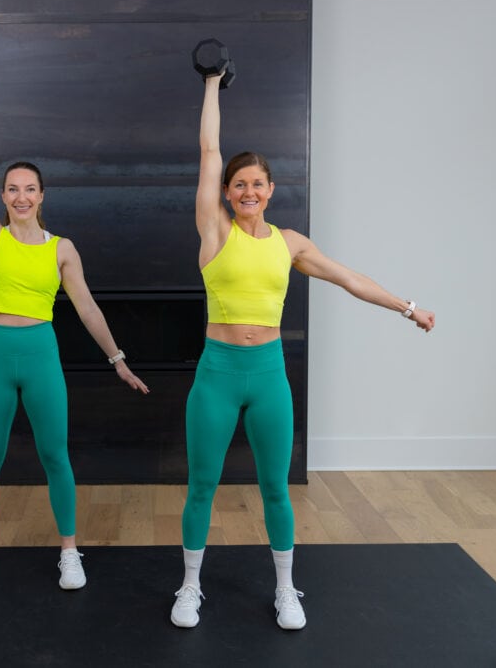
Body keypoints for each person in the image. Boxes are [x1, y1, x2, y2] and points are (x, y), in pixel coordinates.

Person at [170, 70, 435, 630]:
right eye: (238, 184)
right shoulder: (215, 231)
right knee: (202, 485)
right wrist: (213, 82)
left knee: (275, 488)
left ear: (271, 190)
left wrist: (407, 307)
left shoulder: (291, 245)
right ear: (226, 191)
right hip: (217, 373)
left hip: (268, 376)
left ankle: (287, 590)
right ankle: (189, 587)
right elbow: (208, 147)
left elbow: (349, 279)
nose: (247, 192)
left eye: (257, 184)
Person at [0, 85, 150, 592]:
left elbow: (86, 307)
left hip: (40, 355)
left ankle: (69, 551)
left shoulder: (62, 248)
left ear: (42, 197)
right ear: (3, 197)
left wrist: (118, 359)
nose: (21, 196)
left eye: (30, 189)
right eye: (12, 189)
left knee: (55, 456)